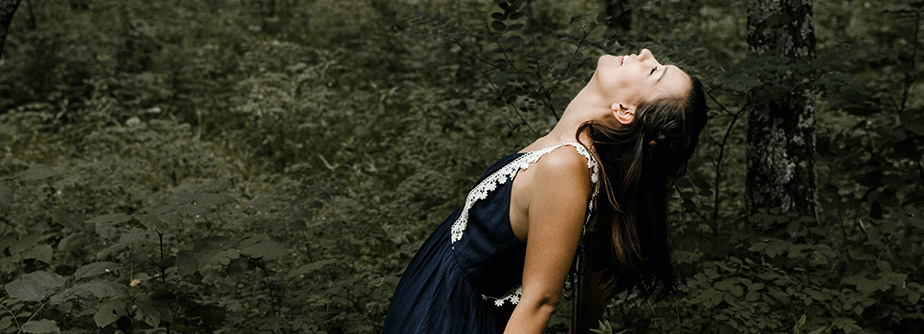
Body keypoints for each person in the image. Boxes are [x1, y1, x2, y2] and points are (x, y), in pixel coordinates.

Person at [382, 48, 708, 333]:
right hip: (440, 293)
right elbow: (595, 273)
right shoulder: (584, 160)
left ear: (625, 111)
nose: (646, 53)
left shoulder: (565, 167)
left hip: (448, 315)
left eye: (653, 71)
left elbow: (540, 303)